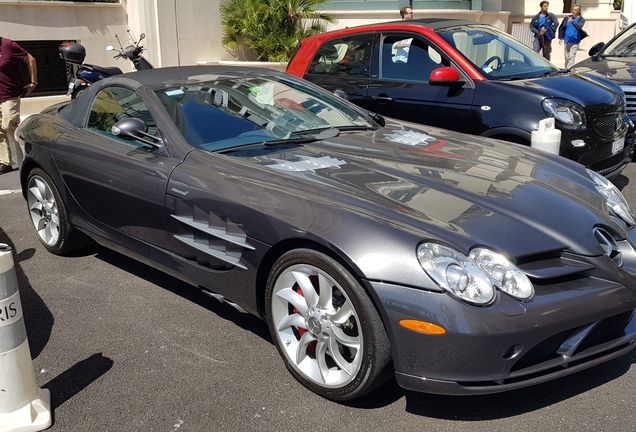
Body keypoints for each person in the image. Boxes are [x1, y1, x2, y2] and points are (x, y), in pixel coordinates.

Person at [0, 36, 38, 174]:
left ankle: (26, 155)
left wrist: (33, 82)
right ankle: (5, 162)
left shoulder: (8, 45)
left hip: (10, 94)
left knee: (9, 123)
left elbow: (31, 59)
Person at [559, 4, 586, 69]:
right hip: (567, 40)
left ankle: (569, 70)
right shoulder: (566, 18)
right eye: (573, 10)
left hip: (575, 41)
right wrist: (561, 38)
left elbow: (579, 27)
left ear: (579, 11)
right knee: (567, 57)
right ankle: (566, 69)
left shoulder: (581, 19)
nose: (573, 11)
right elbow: (561, 28)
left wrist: (572, 21)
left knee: (571, 57)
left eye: (575, 10)